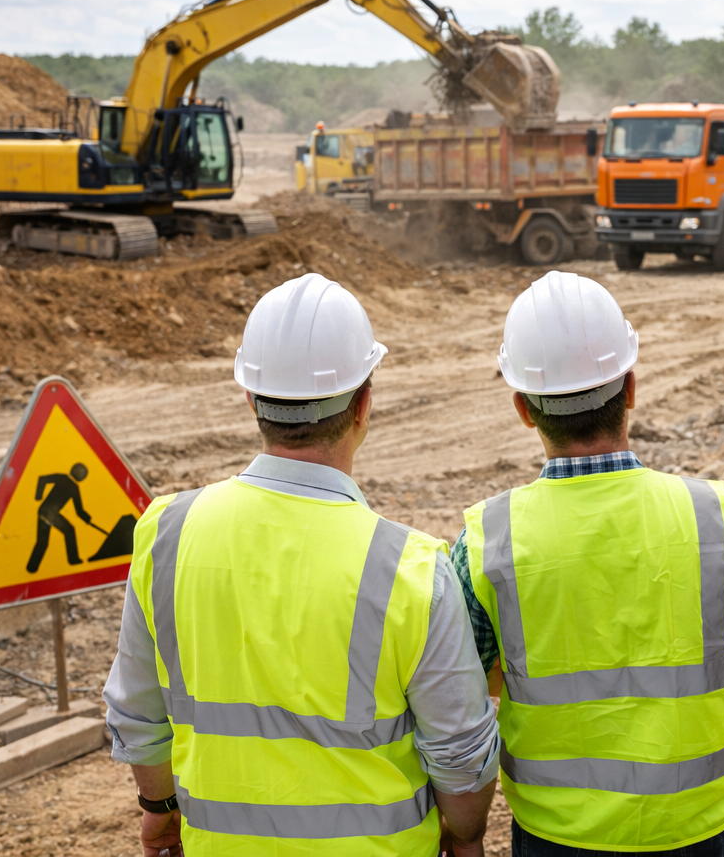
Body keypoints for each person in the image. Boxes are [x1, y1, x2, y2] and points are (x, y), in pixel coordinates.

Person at [103, 273, 500, 857]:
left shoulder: (168, 533)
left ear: (250, 399)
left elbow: (136, 714)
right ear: (364, 403)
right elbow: (460, 754)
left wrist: (161, 813)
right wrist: (465, 836)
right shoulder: (410, 568)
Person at [452, 270, 724, 855]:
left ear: (523, 408)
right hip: (699, 829)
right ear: (632, 387)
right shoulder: (716, 517)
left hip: (558, 835)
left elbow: (457, 693)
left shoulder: (486, 540)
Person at [28, 462, 92, 572]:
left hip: (45, 511)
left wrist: (39, 497)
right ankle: (73, 559)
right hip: (50, 514)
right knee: (67, 532)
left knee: (44, 542)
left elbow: (42, 479)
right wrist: (86, 519)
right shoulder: (72, 486)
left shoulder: (63, 479)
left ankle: (31, 568)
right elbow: (79, 511)